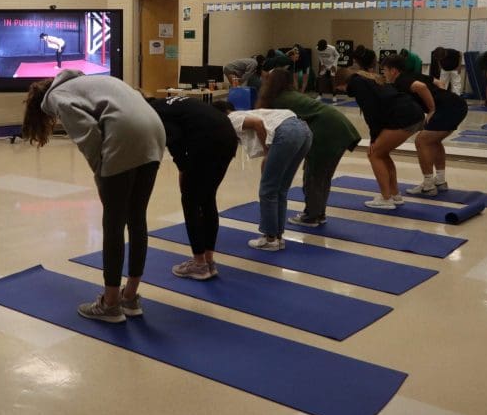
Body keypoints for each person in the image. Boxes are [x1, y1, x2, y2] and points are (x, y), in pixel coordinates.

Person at [22, 70, 165, 323]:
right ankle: (130, 297)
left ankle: (110, 303)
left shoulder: (57, 96)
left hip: (125, 132)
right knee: (136, 218)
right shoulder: (93, 81)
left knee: (113, 224)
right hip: (154, 130)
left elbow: (87, 134)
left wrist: (101, 173)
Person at [148, 95, 237, 280]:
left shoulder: (155, 113)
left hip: (207, 141)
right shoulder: (171, 103)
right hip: (228, 136)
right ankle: (209, 261)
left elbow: (175, 140)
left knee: (190, 201)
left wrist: (183, 168)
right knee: (207, 198)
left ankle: (199, 264)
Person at [256, 66, 360, 226]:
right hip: (339, 127)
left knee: (313, 176)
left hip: (326, 131)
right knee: (323, 177)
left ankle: (311, 216)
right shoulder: (291, 95)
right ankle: (318, 214)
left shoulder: (277, 100)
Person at [215, 100, 311, 250]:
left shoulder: (230, 118)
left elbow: (257, 124)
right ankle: (277, 237)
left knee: (268, 191)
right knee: (280, 188)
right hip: (304, 131)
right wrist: (268, 158)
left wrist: (267, 152)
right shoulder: (248, 113)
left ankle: (270, 239)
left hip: (287, 131)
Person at [338, 46, 424, 209]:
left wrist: (374, 138)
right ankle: (395, 195)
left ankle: (386, 199)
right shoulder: (368, 78)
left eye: (339, 89)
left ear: (342, 84)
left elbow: (372, 113)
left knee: (374, 154)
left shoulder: (357, 84)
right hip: (412, 113)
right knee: (382, 153)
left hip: (405, 116)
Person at [381, 54, 468, 196]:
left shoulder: (401, 81)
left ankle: (428, 185)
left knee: (422, 141)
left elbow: (420, 87)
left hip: (448, 108)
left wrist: (432, 108)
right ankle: (439, 180)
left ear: (394, 71)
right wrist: (442, 98)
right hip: (456, 104)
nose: (384, 73)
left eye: (384, 70)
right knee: (433, 141)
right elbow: (439, 83)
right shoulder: (413, 75)